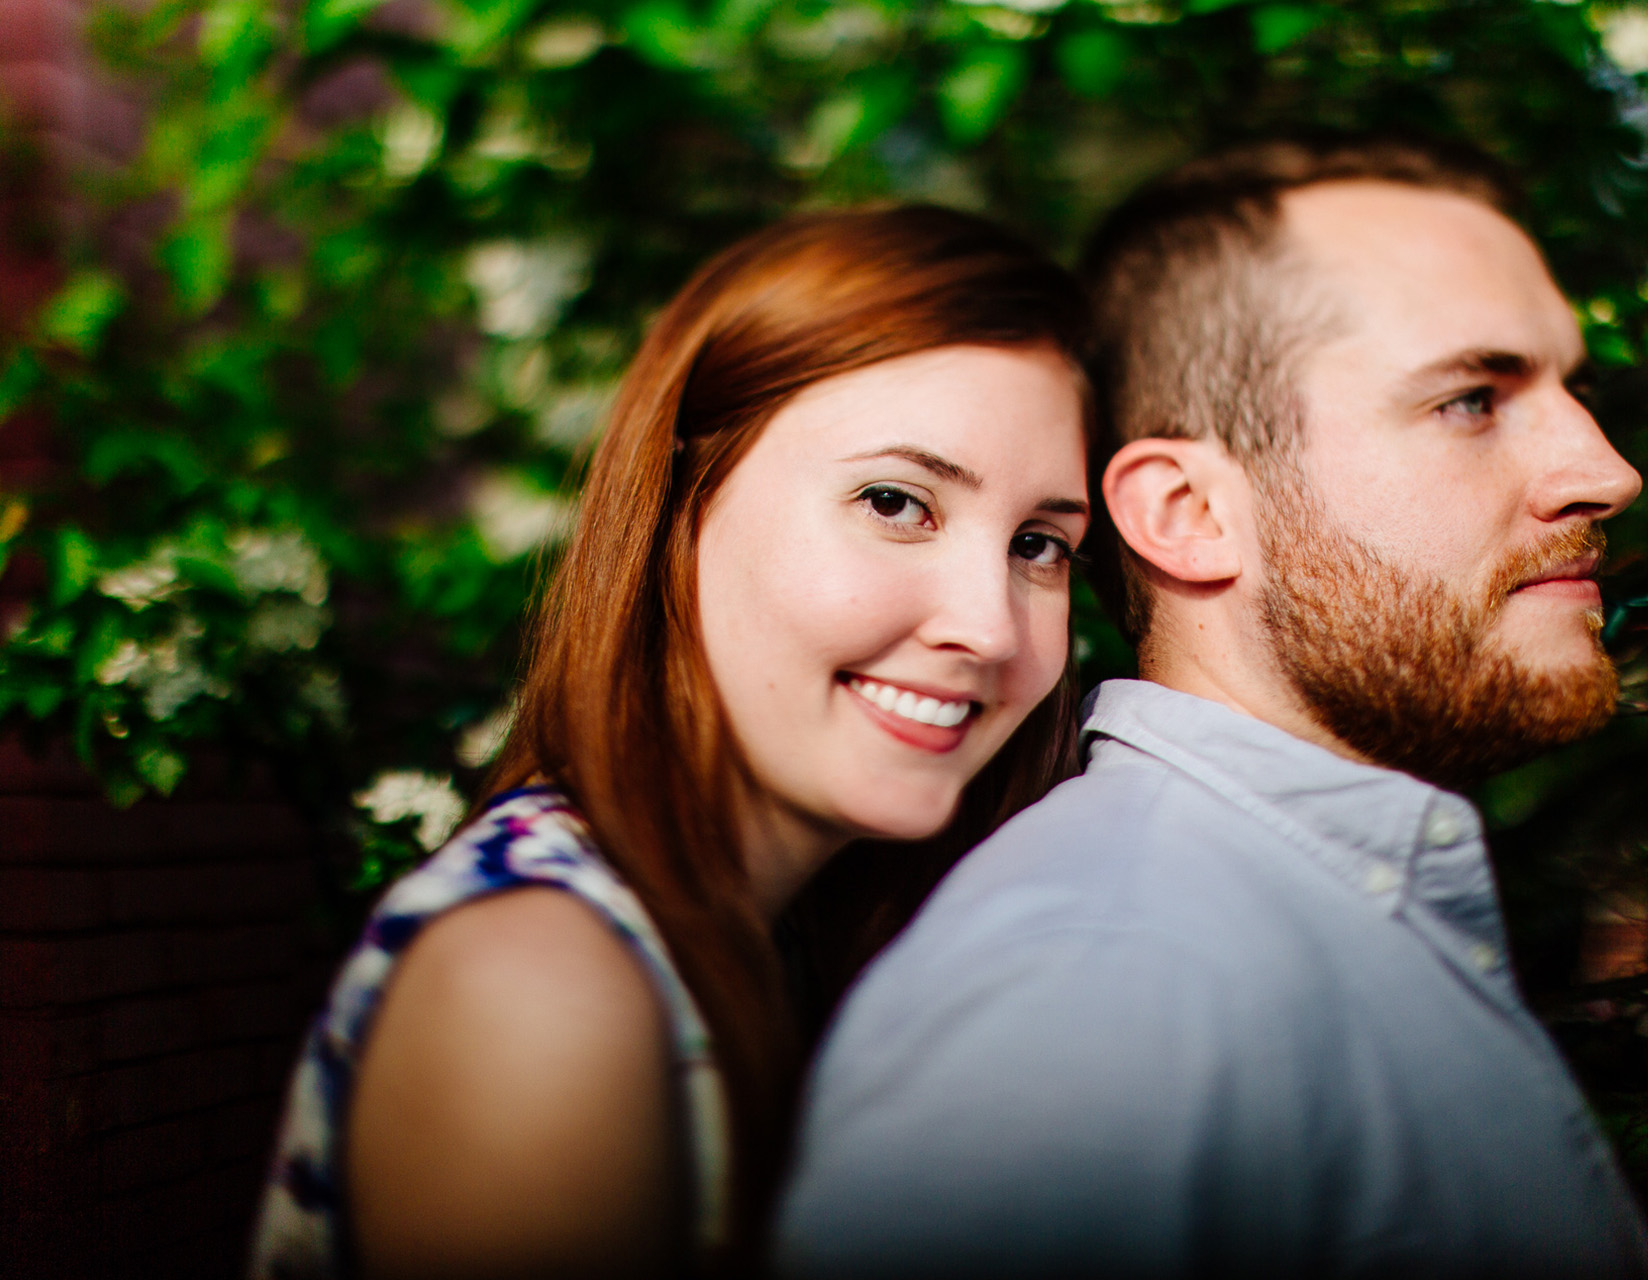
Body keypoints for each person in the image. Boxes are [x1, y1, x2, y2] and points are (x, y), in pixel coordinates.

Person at [777, 137, 1648, 1278]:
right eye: (1470, 399)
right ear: (1191, 512)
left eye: (1570, 388)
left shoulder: (1275, 916)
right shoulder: (1095, 991)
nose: (1603, 467)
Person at [248, 205, 1094, 1279]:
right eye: (896, 500)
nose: (989, 623)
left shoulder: (796, 941)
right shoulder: (544, 990)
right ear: (682, 506)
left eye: (1039, 544)